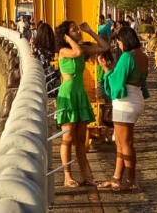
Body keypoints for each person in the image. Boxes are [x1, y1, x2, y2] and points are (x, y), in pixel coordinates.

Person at [55, 20, 109, 188]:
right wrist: (68, 39)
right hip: (68, 95)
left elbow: (104, 47)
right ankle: (67, 176)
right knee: (67, 137)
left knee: (80, 139)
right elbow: (77, 52)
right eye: (74, 30)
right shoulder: (64, 50)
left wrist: (90, 31)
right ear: (66, 34)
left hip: (79, 94)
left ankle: (86, 175)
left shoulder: (82, 48)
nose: (78, 32)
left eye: (78, 29)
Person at [98, 26, 149, 191]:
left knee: (125, 144)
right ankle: (116, 177)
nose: (119, 46)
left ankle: (131, 180)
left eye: (119, 42)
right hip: (136, 98)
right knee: (121, 142)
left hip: (125, 102)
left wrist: (106, 69)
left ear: (125, 40)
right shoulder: (143, 56)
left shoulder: (127, 56)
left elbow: (117, 81)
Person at [30, 22, 60, 98]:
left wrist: (31, 45)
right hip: (55, 74)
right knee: (55, 96)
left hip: (44, 75)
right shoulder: (55, 46)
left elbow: (33, 58)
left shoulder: (38, 47)